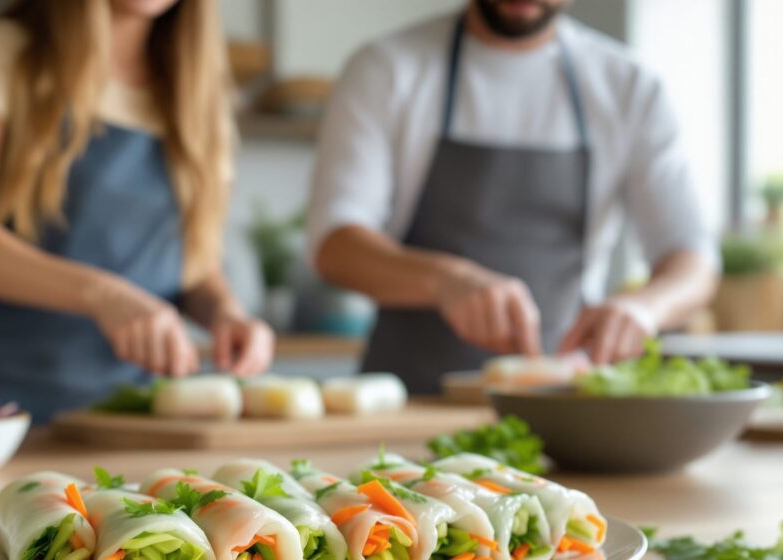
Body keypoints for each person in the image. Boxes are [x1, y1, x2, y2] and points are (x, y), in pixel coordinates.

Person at [307, 0, 718, 393]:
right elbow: (335, 244)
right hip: (408, 400)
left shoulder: (629, 87)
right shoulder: (386, 69)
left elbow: (693, 260)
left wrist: (644, 308)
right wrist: (446, 279)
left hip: (561, 402)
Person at [0, 0, 273, 421]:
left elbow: (195, 265)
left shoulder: (202, 94)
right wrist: (104, 295)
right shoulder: (5, 52)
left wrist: (225, 311)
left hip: (135, 413)